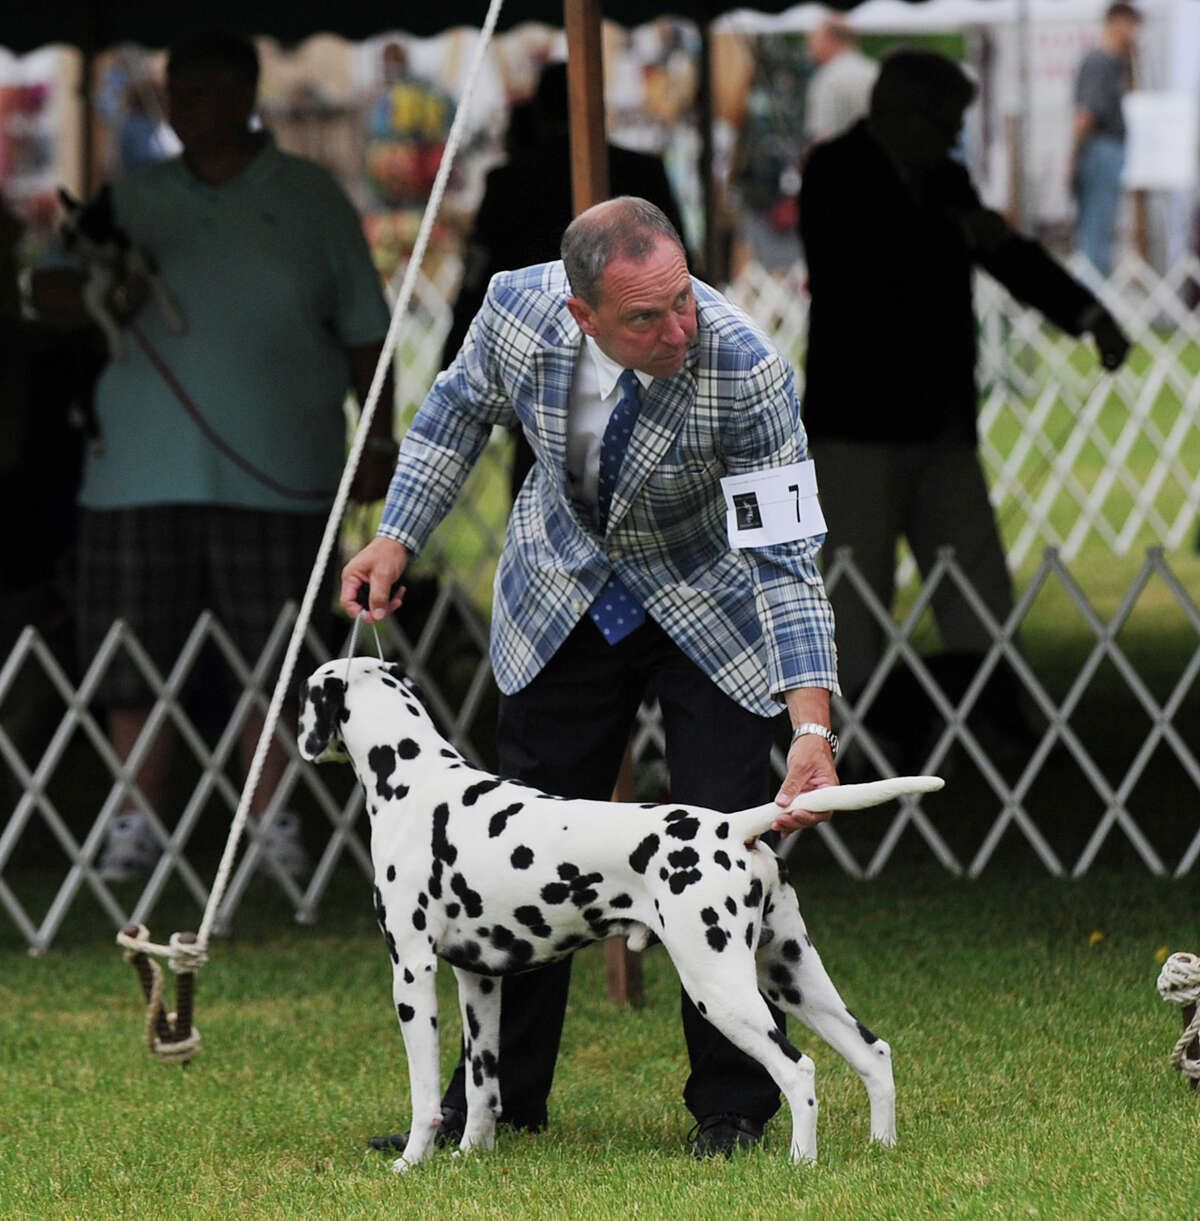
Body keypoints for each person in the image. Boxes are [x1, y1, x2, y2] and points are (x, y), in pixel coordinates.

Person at [343, 196, 841, 1157]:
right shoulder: (517, 311)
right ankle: (495, 1100)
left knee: (718, 845)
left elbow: (785, 555)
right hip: (561, 590)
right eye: (646, 318)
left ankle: (733, 1106)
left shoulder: (747, 370)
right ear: (582, 315)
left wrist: (811, 729)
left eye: (683, 299)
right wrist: (397, 537)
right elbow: (453, 417)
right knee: (513, 849)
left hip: (710, 605)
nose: (678, 328)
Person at [32, 30, 395, 882]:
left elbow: (368, 335)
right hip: (134, 471)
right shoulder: (129, 195)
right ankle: (133, 826)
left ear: (243, 95)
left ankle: (269, 825)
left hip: (283, 470)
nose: (185, 109)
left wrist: (378, 437)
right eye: (175, 93)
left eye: (200, 90)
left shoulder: (311, 197)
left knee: (275, 659)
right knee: (130, 660)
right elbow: (45, 289)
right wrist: (95, 290)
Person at [798, 50, 1130, 738]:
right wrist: (953, 230)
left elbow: (1006, 253)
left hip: (943, 423)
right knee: (853, 589)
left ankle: (1000, 717)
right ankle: (844, 737)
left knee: (977, 579)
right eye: (946, 120)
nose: (954, 137)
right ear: (901, 112)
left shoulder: (943, 176)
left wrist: (1088, 316)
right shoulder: (833, 170)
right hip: (855, 425)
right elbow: (857, 263)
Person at [442, 60, 688, 499]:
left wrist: (452, 362)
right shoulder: (643, 172)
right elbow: (687, 277)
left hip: (540, 376)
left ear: (539, 110)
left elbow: (478, 286)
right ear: (599, 106)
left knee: (540, 513)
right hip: (644, 368)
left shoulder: (510, 184)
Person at [1071, 2, 1142, 278]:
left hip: (1108, 150)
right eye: (1131, 25)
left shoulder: (1117, 63)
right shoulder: (1099, 62)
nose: (1134, 33)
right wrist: (1075, 159)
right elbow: (1085, 115)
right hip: (1099, 150)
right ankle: (1088, 306)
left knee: (1102, 233)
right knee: (1096, 234)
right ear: (1116, 22)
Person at [804, 16, 878, 149]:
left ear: (832, 40)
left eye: (813, 39)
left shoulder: (828, 78)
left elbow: (824, 137)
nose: (810, 47)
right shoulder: (874, 70)